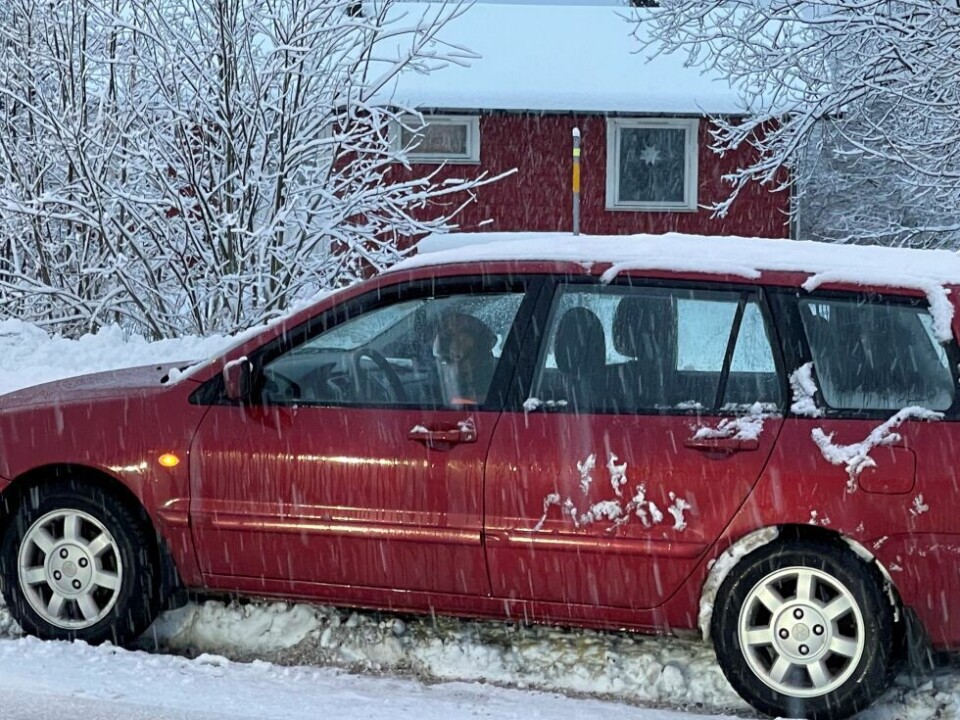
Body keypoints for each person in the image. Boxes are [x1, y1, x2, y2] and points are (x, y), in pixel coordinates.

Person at [434, 312, 497, 405]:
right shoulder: (438, 377)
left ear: (478, 338)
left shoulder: (496, 373)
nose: (454, 340)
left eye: (462, 332)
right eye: (448, 334)